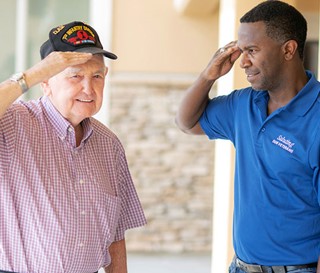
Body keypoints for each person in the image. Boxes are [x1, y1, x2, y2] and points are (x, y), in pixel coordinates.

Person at [176, 1, 320, 273]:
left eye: (252, 50)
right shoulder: (244, 105)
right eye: (241, 51)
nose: (242, 61)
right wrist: (209, 75)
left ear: (288, 49)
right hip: (241, 267)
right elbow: (187, 122)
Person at [0, 21, 146, 273]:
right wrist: (31, 75)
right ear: (46, 83)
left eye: (96, 76)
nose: (88, 89)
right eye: (75, 75)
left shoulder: (109, 145)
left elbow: (115, 238)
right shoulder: (12, 124)